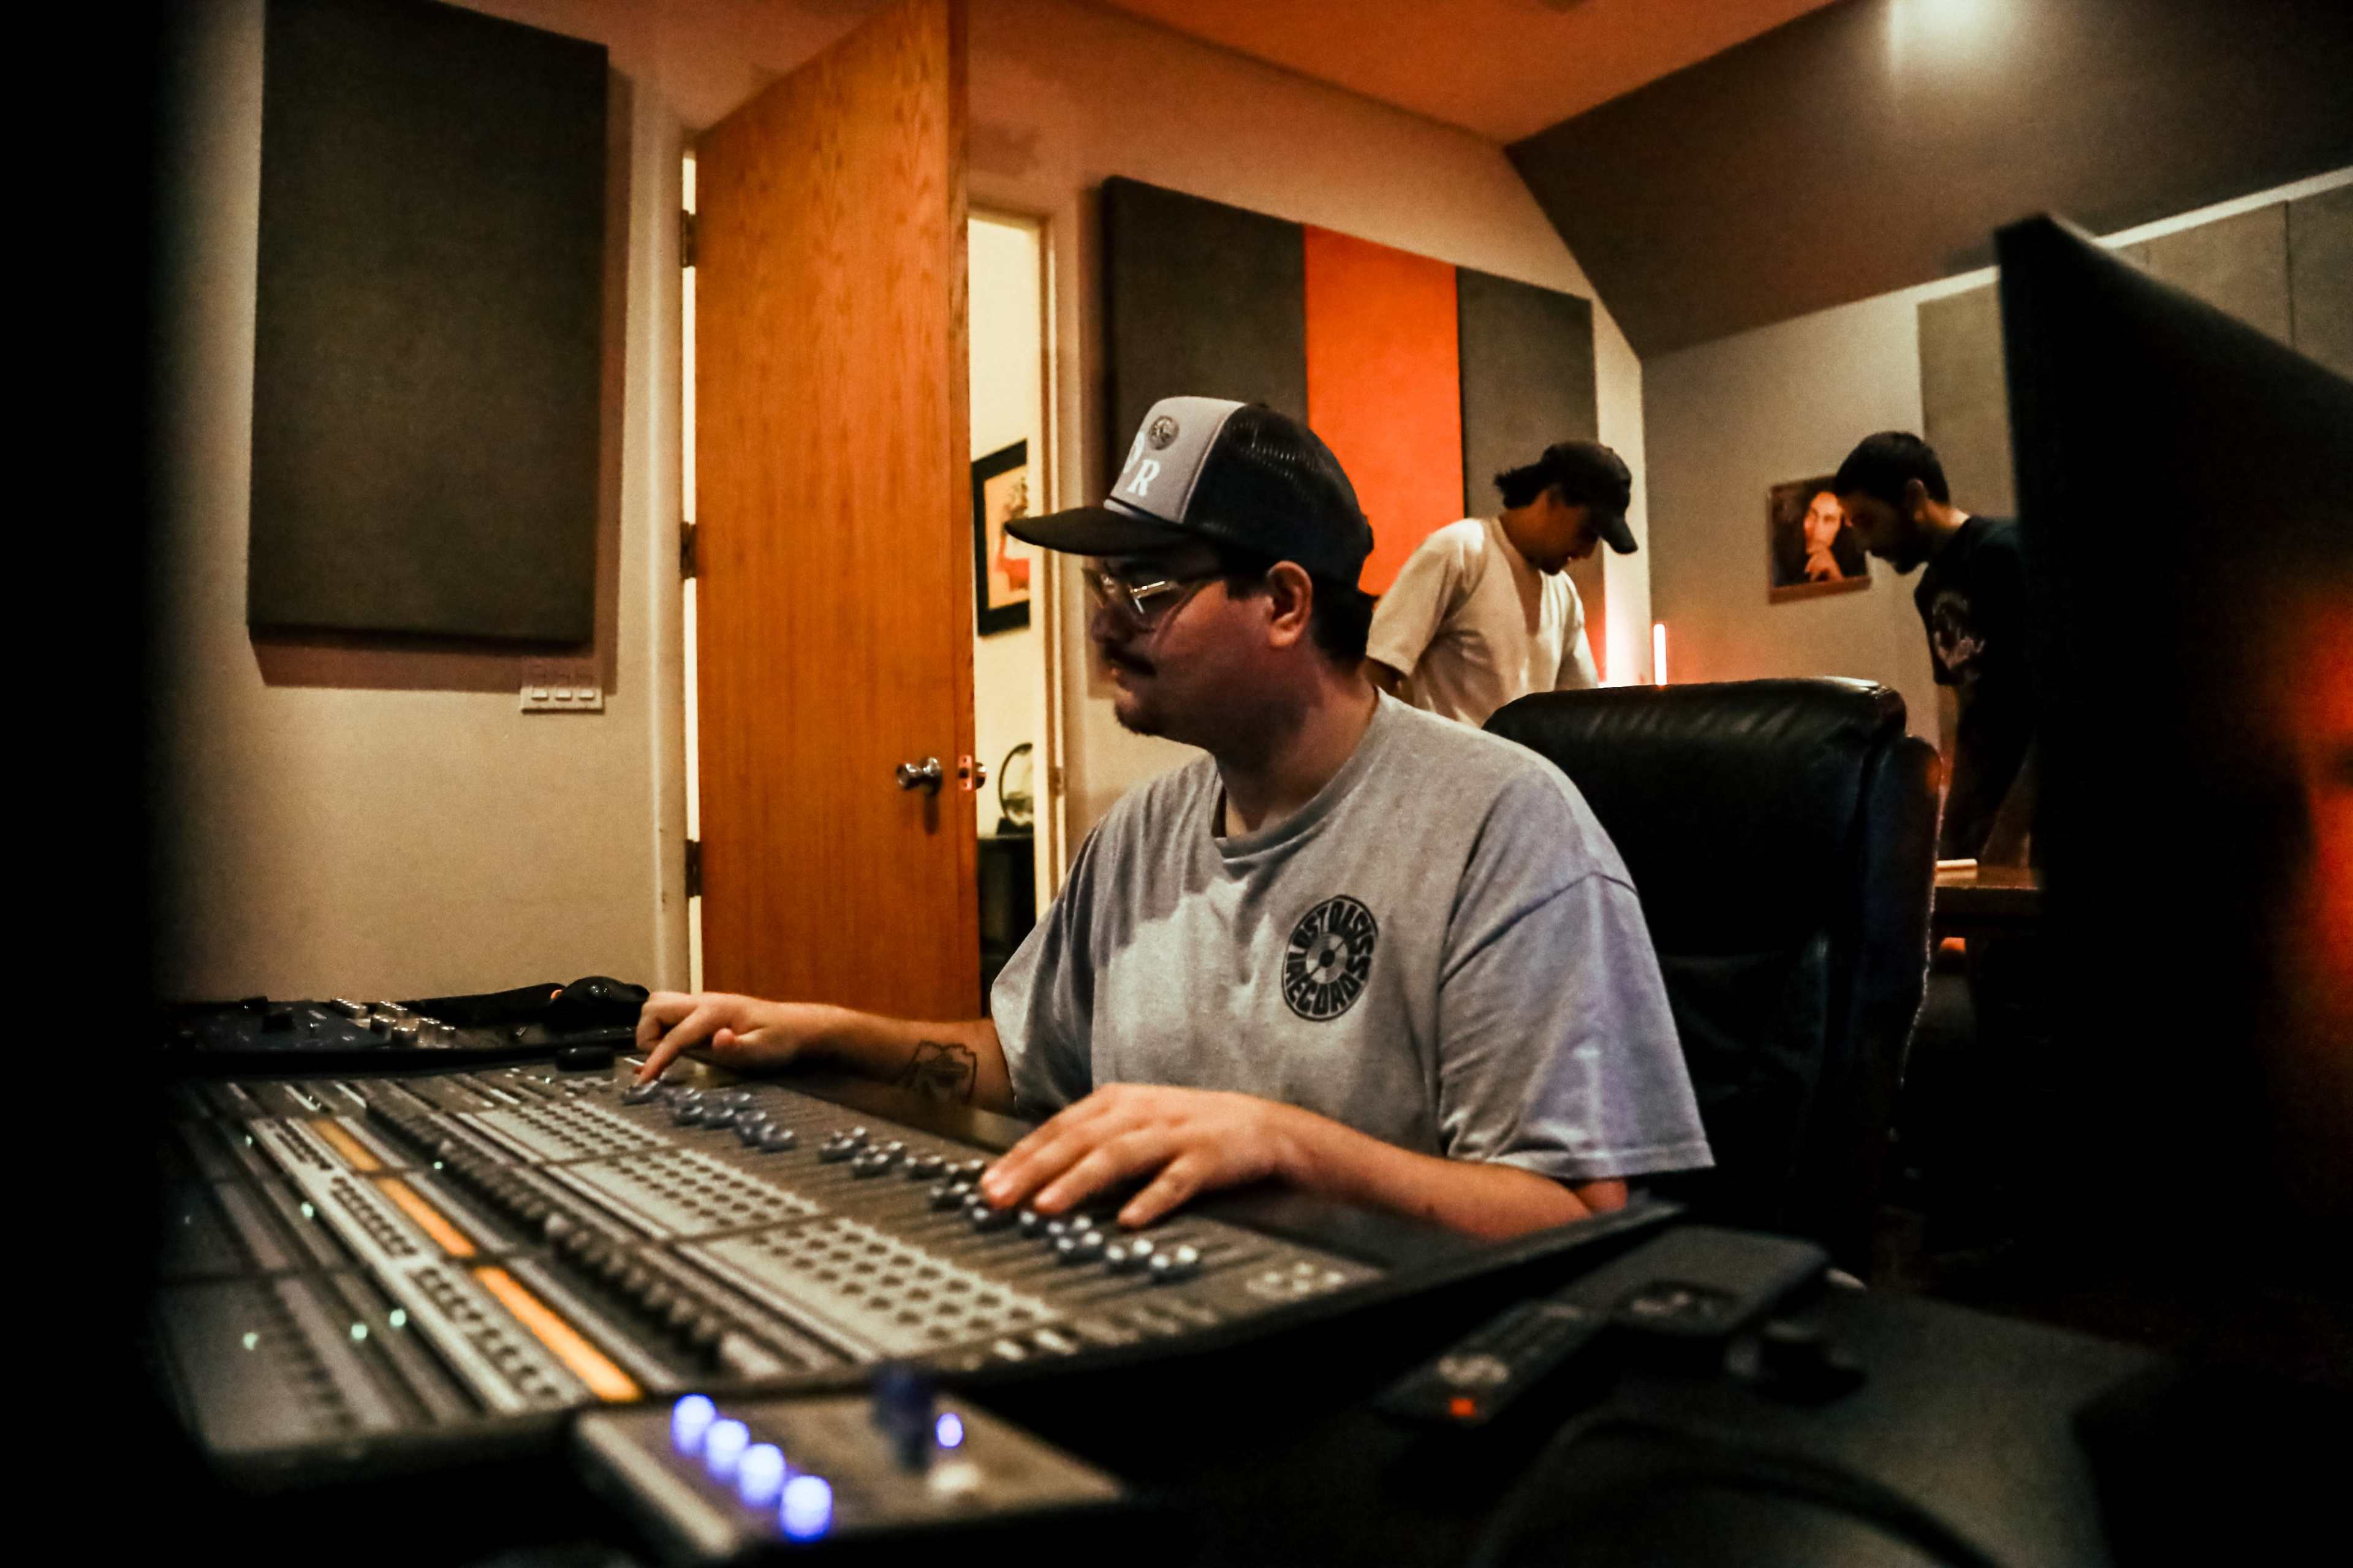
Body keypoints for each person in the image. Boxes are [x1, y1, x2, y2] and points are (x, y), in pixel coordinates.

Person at [636, 397, 1709, 1240]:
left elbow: (1577, 1212)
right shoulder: (1137, 830)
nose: (1105, 622)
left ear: (1284, 602)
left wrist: (1285, 1142)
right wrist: (830, 1034)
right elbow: (1029, 1063)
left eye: (1147, 588)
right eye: (1103, 584)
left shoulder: (1507, 822)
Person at [1833, 432, 2036, 863]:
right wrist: (1952, 837)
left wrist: (2012, 831)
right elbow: (1971, 716)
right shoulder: (1930, 590)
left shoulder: (2005, 553)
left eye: (1867, 521)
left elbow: (2059, 703)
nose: (1865, 545)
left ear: (1913, 497)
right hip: (1992, 820)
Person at [1363, 439, 1637, 727]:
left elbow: (1581, 711)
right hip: (1450, 757)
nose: (1588, 552)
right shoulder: (1459, 552)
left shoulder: (1564, 594)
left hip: (1522, 759)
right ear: (1553, 498)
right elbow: (1377, 669)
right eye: (1587, 532)